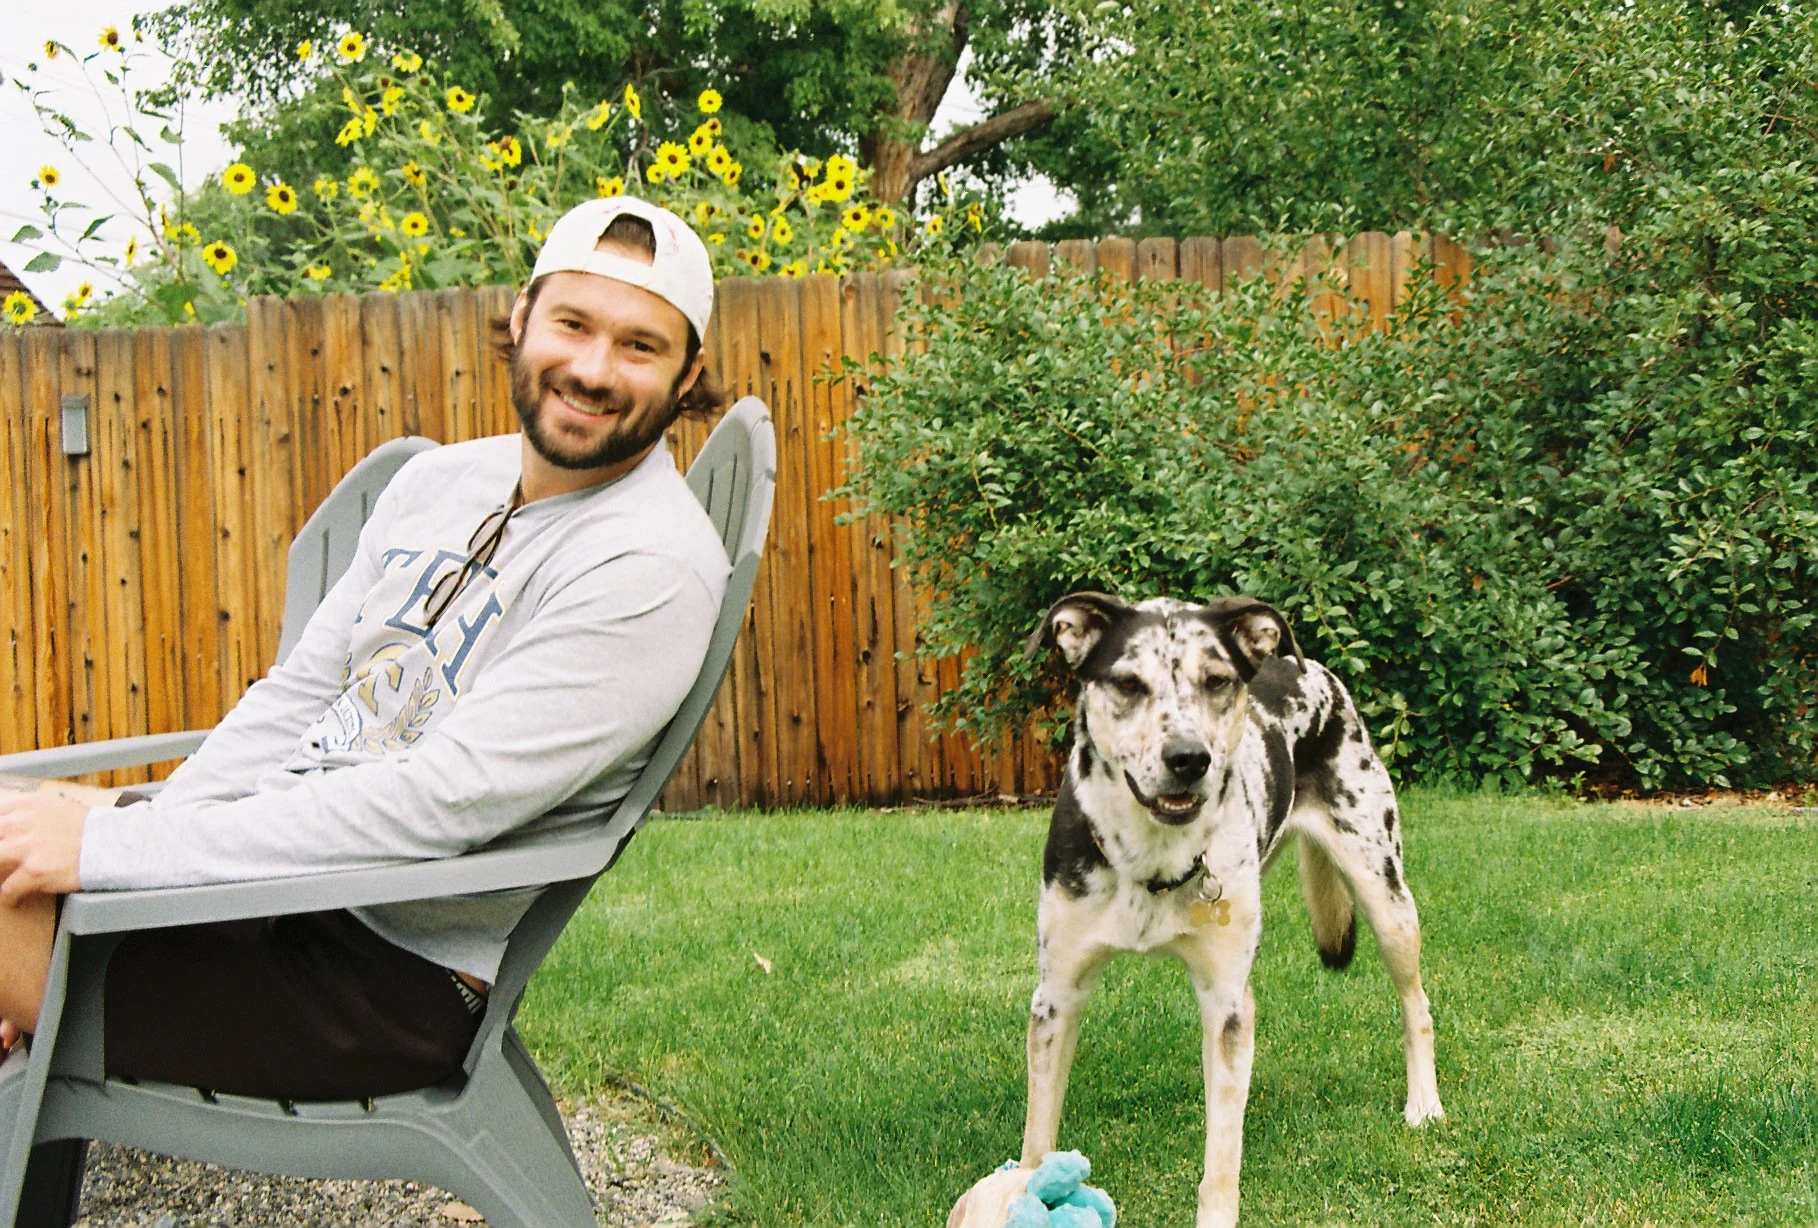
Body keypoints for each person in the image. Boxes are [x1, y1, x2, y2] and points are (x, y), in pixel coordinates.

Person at [0, 195, 732, 1100]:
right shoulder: (440, 481)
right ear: (522, 316)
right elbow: (296, 698)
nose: (591, 368)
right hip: (264, 889)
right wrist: (136, 842)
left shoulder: (649, 564)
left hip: (377, 981)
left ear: (689, 369)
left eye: (639, 346)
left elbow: (435, 807)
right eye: (573, 323)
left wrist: (111, 857)